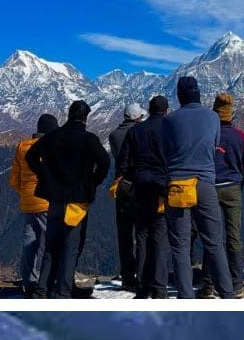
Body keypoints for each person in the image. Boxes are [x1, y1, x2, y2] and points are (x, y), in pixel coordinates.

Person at [159, 75, 236, 299]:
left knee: (180, 247)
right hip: (205, 183)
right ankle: (227, 294)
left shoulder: (169, 120)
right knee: (214, 243)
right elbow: (214, 145)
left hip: (177, 185)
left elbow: (165, 152)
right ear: (199, 94)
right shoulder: (213, 117)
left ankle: (186, 298)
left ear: (179, 95)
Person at [26, 100, 110, 298]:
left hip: (55, 199)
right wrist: (92, 183)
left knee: (51, 245)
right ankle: (63, 292)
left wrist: (44, 176)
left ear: (69, 114)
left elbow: (31, 156)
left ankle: (42, 289)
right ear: (85, 117)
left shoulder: (53, 136)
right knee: (70, 247)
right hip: (77, 202)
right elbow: (105, 162)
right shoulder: (88, 139)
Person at [125, 98, 172, 297]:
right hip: (162, 189)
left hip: (140, 188)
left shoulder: (135, 131)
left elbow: (125, 163)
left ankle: (142, 286)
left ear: (149, 111)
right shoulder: (172, 129)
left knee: (142, 236)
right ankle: (160, 287)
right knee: (160, 237)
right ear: (166, 110)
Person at [210, 92, 244, 297]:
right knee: (233, 236)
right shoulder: (241, 136)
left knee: (212, 237)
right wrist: (239, 184)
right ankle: (237, 283)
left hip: (210, 188)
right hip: (233, 188)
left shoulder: (209, 135)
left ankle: (209, 284)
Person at [11, 115, 52, 297]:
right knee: (49, 243)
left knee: (29, 242)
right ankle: (47, 280)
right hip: (46, 201)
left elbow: (14, 179)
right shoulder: (50, 147)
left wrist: (25, 192)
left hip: (27, 202)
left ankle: (29, 281)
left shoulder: (22, 147)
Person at [108, 103, 146, 293]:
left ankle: (127, 275)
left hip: (121, 186)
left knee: (124, 234)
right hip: (139, 185)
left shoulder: (114, 135)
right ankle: (141, 273)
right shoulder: (141, 133)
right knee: (141, 232)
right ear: (138, 117)